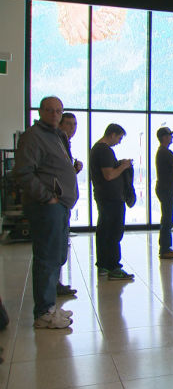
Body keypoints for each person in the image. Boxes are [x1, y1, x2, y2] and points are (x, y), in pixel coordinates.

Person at [12, 96, 78, 328]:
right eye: (49, 110)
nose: (54, 114)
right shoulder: (33, 136)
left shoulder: (57, 136)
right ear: (40, 111)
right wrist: (47, 197)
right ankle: (43, 312)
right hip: (46, 207)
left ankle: (49, 306)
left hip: (60, 206)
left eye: (58, 111)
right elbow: (23, 173)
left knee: (57, 256)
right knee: (47, 257)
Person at [89, 123, 135, 280]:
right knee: (114, 232)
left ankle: (103, 265)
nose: (119, 141)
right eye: (119, 137)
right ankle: (114, 267)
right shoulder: (104, 150)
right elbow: (109, 175)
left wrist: (118, 164)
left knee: (104, 231)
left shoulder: (96, 149)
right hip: (111, 198)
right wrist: (123, 166)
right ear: (113, 134)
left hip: (104, 196)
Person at [55, 112, 82, 296]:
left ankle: (56, 283)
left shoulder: (65, 144)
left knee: (59, 245)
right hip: (56, 202)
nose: (72, 128)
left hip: (64, 202)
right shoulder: (56, 143)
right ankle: (51, 287)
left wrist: (74, 170)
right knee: (54, 246)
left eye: (74, 124)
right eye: (68, 124)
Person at [155, 127, 173, 259]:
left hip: (163, 187)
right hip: (167, 188)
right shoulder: (166, 152)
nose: (172, 138)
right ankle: (165, 248)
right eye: (170, 136)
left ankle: (165, 247)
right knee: (167, 219)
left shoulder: (161, 152)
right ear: (164, 137)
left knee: (166, 218)